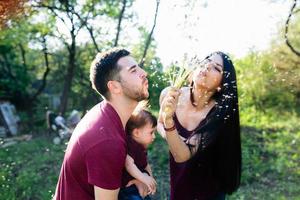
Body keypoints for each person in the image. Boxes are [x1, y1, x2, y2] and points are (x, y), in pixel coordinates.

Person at [54, 48, 150, 200]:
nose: (144, 73)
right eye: (133, 70)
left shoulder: (108, 112)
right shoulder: (107, 141)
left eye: (139, 67)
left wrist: (139, 178)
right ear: (114, 87)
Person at [158, 52, 241, 200]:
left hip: (208, 192)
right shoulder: (170, 94)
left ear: (222, 85)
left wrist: (170, 122)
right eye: (207, 60)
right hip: (178, 183)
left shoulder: (219, 114)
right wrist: (169, 134)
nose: (208, 66)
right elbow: (159, 123)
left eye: (216, 67)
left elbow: (182, 155)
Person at [119, 106, 157, 200]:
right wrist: (144, 178)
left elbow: (145, 164)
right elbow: (128, 164)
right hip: (128, 188)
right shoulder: (131, 144)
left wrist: (150, 179)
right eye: (151, 132)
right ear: (136, 133)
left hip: (137, 185)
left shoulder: (140, 147)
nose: (154, 136)